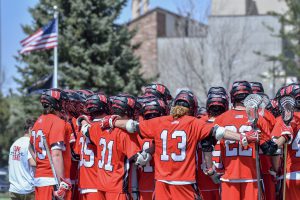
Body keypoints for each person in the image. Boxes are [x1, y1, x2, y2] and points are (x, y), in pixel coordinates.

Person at [99, 90, 260, 200]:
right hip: (183, 182)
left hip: (161, 182)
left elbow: (133, 126)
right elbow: (220, 132)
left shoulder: (160, 122)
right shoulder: (192, 123)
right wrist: (243, 137)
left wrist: (113, 121)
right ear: (191, 108)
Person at [214, 81, 271, 200]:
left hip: (229, 176)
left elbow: (212, 149)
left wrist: (213, 170)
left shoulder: (220, 119)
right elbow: (269, 149)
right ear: (250, 96)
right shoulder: (259, 119)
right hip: (251, 176)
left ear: (232, 97)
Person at [30, 88, 72, 200]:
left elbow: (30, 147)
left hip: (39, 178)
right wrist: (62, 182)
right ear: (55, 103)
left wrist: (41, 162)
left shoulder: (38, 121)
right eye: (62, 102)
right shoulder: (57, 122)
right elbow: (56, 154)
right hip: (51, 180)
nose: (64, 105)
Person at [9, 118, 36, 200]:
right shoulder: (28, 143)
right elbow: (33, 163)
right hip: (27, 190)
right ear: (30, 129)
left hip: (14, 189)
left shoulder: (15, 144)